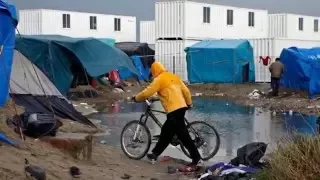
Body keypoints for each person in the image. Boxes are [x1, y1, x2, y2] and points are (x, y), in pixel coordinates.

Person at [131, 61, 203, 170]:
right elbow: (186, 92)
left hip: (174, 111)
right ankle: (154, 155)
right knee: (166, 133)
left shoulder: (159, 79)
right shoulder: (174, 77)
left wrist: (136, 98)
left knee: (184, 137)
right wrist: (189, 103)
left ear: (154, 71)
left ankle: (197, 159)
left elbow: (147, 92)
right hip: (181, 107)